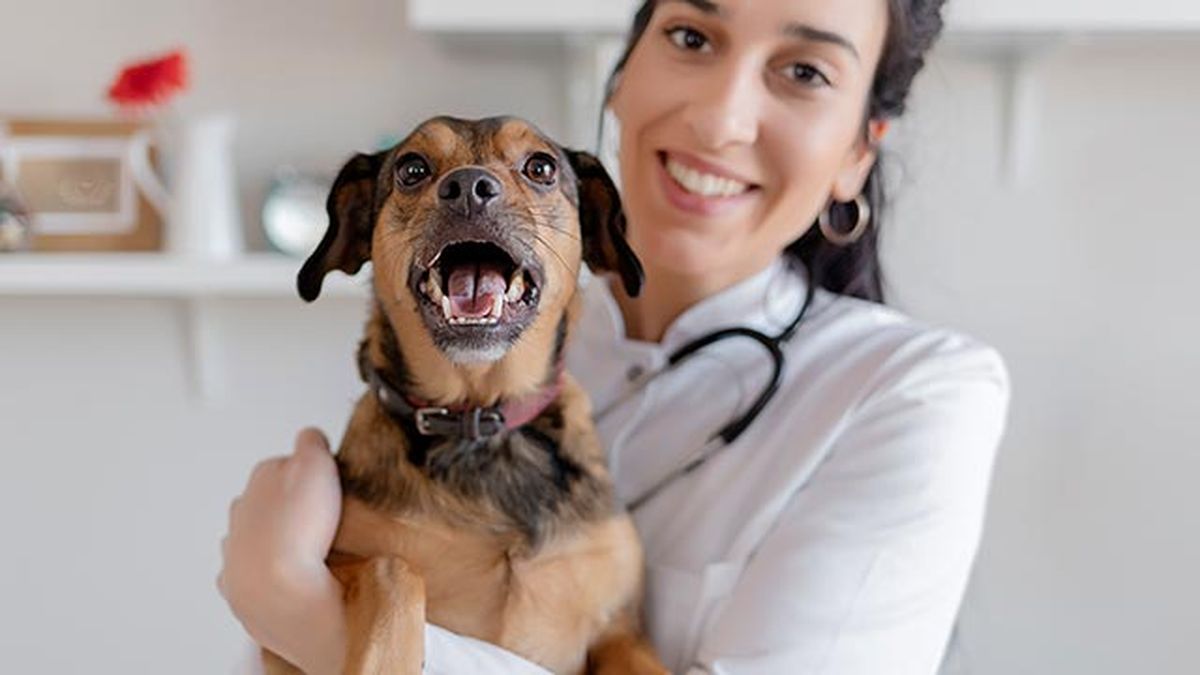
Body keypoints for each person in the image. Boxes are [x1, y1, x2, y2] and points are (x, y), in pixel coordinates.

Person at [218, 0, 1010, 673]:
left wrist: (306, 610)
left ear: (857, 151)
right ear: (622, 77)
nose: (720, 117)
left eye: (805, 72)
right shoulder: (489, 339)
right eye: (693, 37)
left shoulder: (921, 388)